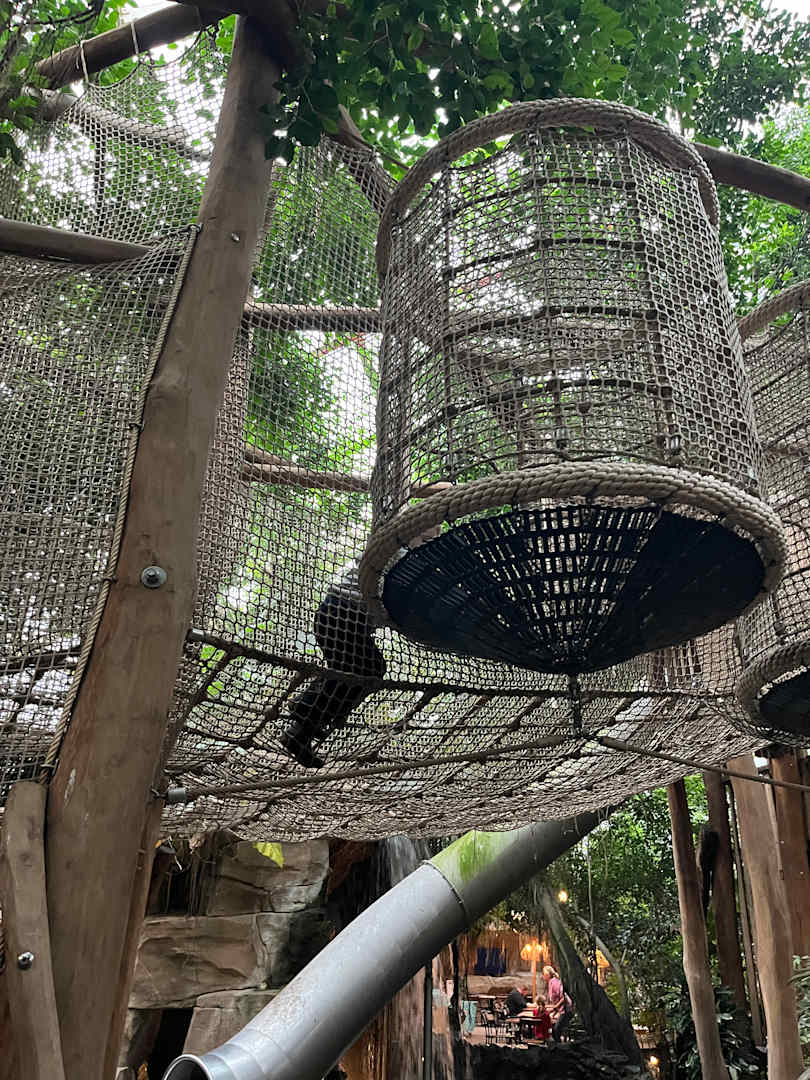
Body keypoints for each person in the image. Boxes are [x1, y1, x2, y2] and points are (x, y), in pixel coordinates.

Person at [543, 965, 573, 1042]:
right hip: (561, 1010)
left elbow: (564, 997)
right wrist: (554, 1012)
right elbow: (556, 999)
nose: (543, 976)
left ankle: (559, 1047)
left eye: (544, 974)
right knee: (554, 1030)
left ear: (547, 975)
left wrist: (555, 1007)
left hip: (566, 1010)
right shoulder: (550, 983)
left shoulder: (554, 982)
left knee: (556, 1031)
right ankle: (557, 1046)